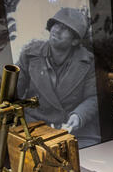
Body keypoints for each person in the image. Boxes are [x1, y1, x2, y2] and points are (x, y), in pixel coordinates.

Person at [16, 8, 101, 148]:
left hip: (73, 129)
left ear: (74, 41)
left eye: (65, 28)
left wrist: (78, 116)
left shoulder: (88, 62)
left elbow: (93, 97)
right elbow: (14, 93)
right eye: (56, 24)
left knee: (89, 157)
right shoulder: (30, 55)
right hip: (36, 126)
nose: (57, 29)